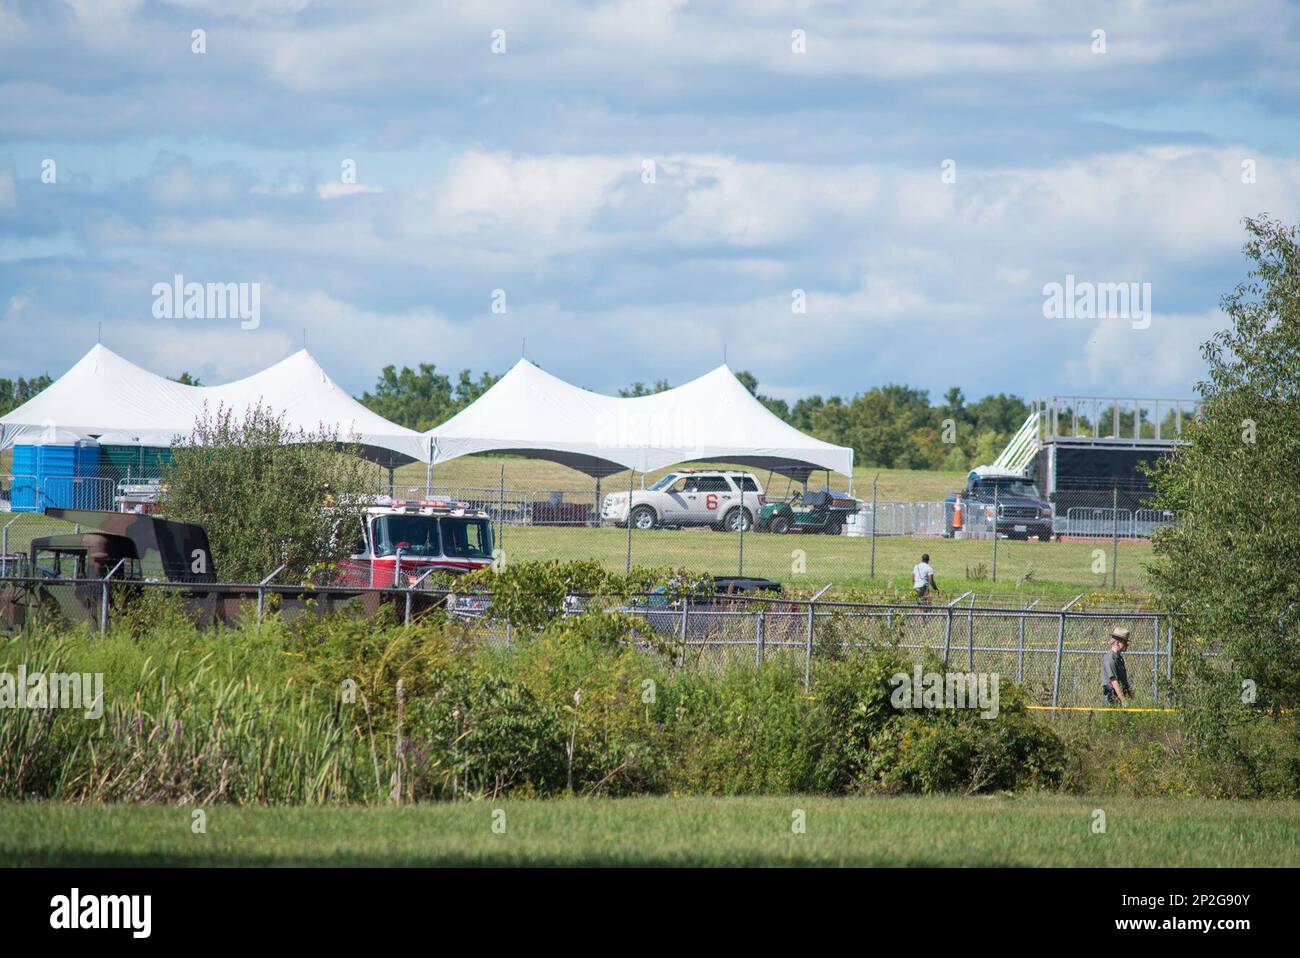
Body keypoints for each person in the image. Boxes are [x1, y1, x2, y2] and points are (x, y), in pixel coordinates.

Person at [1101, 627, 1133, 706]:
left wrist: (1131, 697)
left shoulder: (1119, 658)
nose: (1127, 645)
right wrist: (1123, 700)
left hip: (1121, 695)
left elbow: (1123, 681)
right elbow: (1114, 681)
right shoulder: (1110, 659)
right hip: (1112, 698)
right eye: (1124, 642)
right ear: (1118, 643)